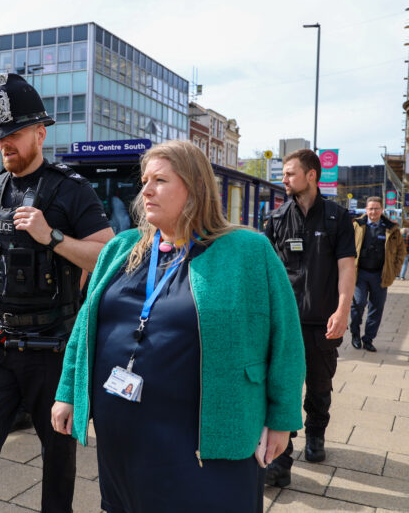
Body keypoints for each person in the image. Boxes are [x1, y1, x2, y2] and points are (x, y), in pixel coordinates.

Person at [52, 140, 305, 513]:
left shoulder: (247, 251)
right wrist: (68, 391)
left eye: (160, 180)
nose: (146, 190)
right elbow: (86, 326)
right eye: (144, 180)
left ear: (194, 187)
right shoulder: (122, 247)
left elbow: (285, 340)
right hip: (124, 435)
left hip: (202, 439)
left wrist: (282, 419)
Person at [0, 73, 114, 513]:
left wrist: (52, 237)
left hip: (52, 348)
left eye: (16, 134)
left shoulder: (71, 190)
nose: (6, 144)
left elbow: (106, 254)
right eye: (1, 136)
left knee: (57, 457)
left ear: (40, 134)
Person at [264, 148, 357, 487]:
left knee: (318, 387)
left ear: (312, 176)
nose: (283, 179)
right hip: (285, 323)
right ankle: (279, 462)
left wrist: (343, 309)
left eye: (289, 173)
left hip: (322, 322)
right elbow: (267, 271)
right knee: (282, 386)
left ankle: (315, 435)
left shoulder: (337, 217)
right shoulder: (276, 219)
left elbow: (347, 266)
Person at [349, 197, 406, 352]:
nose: (373, 212)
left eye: (376, 208)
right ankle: (355, 333)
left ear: (382, 210)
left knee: (377, 308)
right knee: (358, 304)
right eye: (370, 209)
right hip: (359, 273)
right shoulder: (356, 225)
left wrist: (394, 271)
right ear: (366, 210)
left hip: (380, 275)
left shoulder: (391, 228)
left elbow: (401, 252)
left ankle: (368, 339)